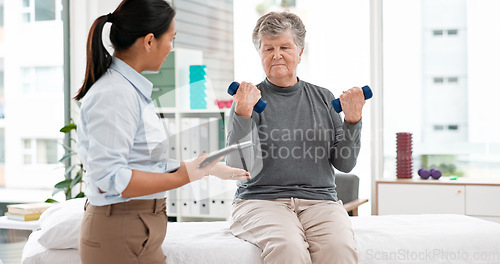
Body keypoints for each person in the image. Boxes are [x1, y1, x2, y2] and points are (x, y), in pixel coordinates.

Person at [74, 1, 249, 263]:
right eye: (171, 39)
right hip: (120, 232)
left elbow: (142, 162)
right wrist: (187, 175)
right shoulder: (114, 94)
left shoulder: (131, 91)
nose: (171, 48)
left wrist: (203, 167)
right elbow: (111, 178)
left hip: (137, 229)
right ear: (148, 41)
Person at [226, 11, 365, 264]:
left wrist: (353, 122)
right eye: (268, 48)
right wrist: (243, 114)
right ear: (260, 53)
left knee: (340, 249)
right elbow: (237, 168)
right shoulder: (247, 100)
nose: (276, 55)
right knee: (288, 248)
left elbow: (345, 164)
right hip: (260, 201)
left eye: (284, 47)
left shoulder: (323, 98)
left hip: (320, 202)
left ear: (300, 52)